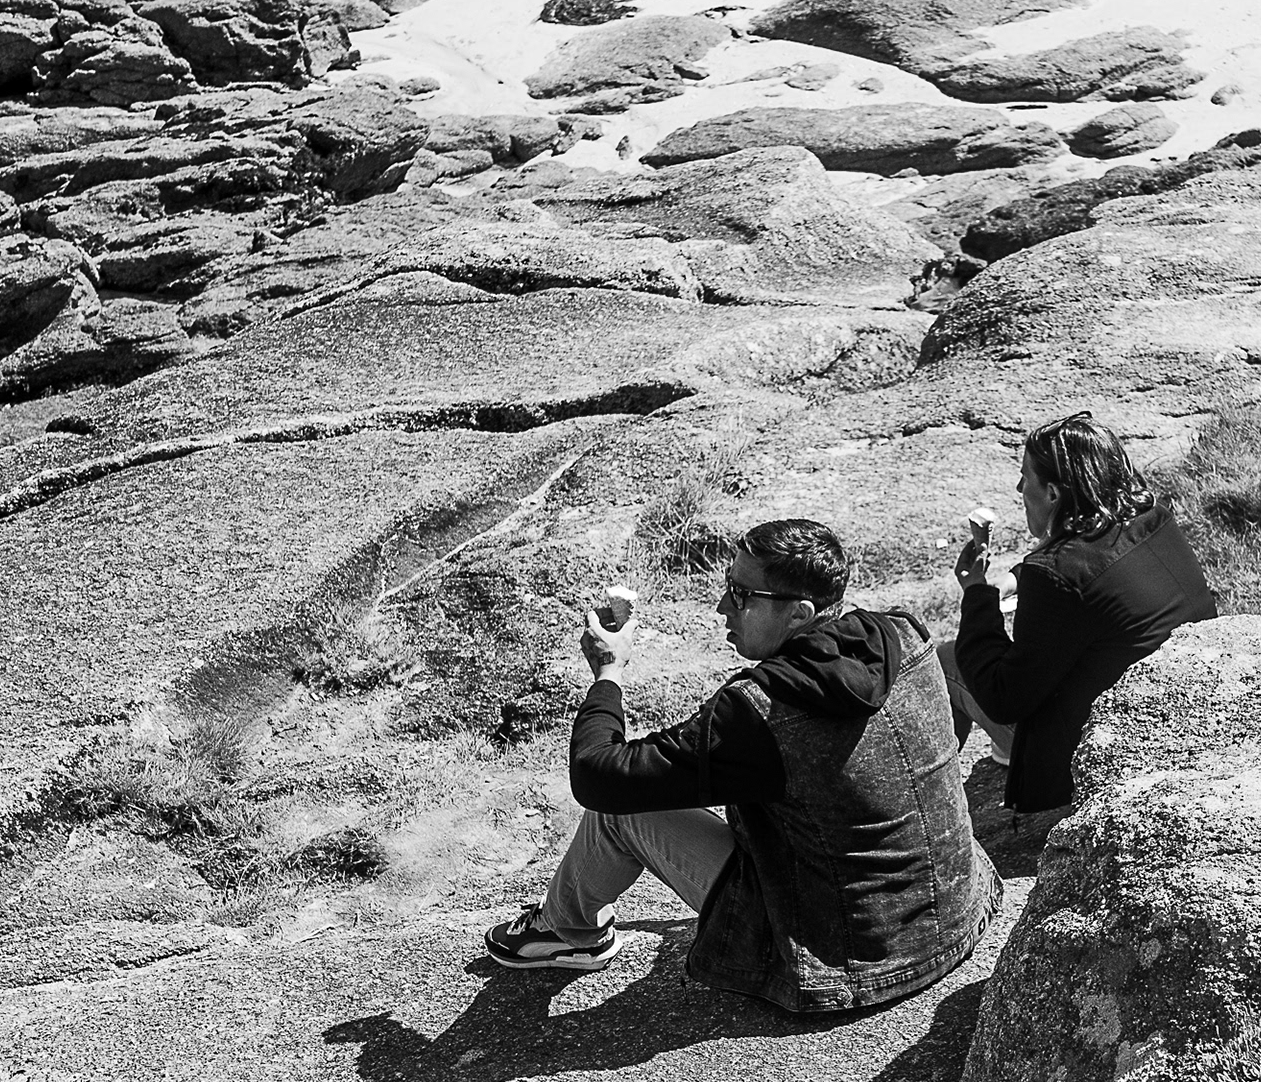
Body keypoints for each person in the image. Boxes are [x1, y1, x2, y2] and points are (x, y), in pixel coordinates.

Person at [485, 518, 1001, 1014]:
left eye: (741, 594)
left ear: (799, 614)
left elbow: (598, 774)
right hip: (958, 910)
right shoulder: (903, 634)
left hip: (847, 957)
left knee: (619, 810)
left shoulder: (762, 713)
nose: (720, 606)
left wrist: (608, 674)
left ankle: (566, 930)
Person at [944, 412, 1217, 815]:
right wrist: (1016, 578)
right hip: (1183, 719)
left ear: (1053, 493)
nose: (1019, 488)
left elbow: (1002, 697)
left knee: (946, 660)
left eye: (1025, 477)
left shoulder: (1054, 576)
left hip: (1093, 756)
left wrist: (976, 596)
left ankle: (936, 812)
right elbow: (1091, 561)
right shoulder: (1152, 516)